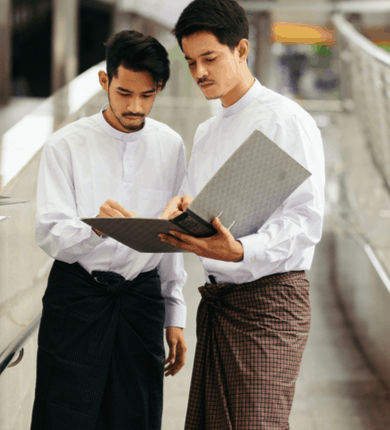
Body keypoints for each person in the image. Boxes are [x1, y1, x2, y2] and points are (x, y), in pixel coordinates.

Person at [160, 0, 326, 428]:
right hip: (219, 302)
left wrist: (240, 251)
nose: (199, 73)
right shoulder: (207, 130)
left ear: (241, 50)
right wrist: (180, 211)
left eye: (209, 58)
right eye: (191, 62)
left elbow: (305, 222)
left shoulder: (286, 119)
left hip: (271, 302)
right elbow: (203, 206)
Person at [31, 30, 188, 430]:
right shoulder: (64, 145)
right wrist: (96, 229)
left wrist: (175, 314)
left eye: (148, 95)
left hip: (141, 302)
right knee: (63, 415)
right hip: (78, 297)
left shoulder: (170, 146)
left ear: (160, 88)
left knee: (137, 416)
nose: (136, 106)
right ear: (105, 82)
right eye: (124, 93)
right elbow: (49, 232)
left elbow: (171, 240)